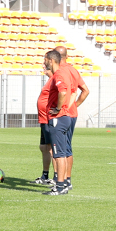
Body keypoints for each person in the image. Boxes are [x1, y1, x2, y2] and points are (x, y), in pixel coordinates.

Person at [46, 45, 89, 195]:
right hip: (70, 115)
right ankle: (65, 181)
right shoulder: (71, 70)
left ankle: (60, 183)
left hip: (60, 116)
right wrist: (73, 106)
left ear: (53, 58)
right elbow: (82, 90)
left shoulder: (60, 72)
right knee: (66, 150)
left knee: (58, 152)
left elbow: (63, 91)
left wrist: (60, 108)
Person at [34, 49, 61, 186]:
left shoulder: (57, 78)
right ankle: (45, 175)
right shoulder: (50, 80)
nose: (45, 67)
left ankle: (57, 177)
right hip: (43, 118)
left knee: (52, 148)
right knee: (43, 147)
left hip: (49, 118)